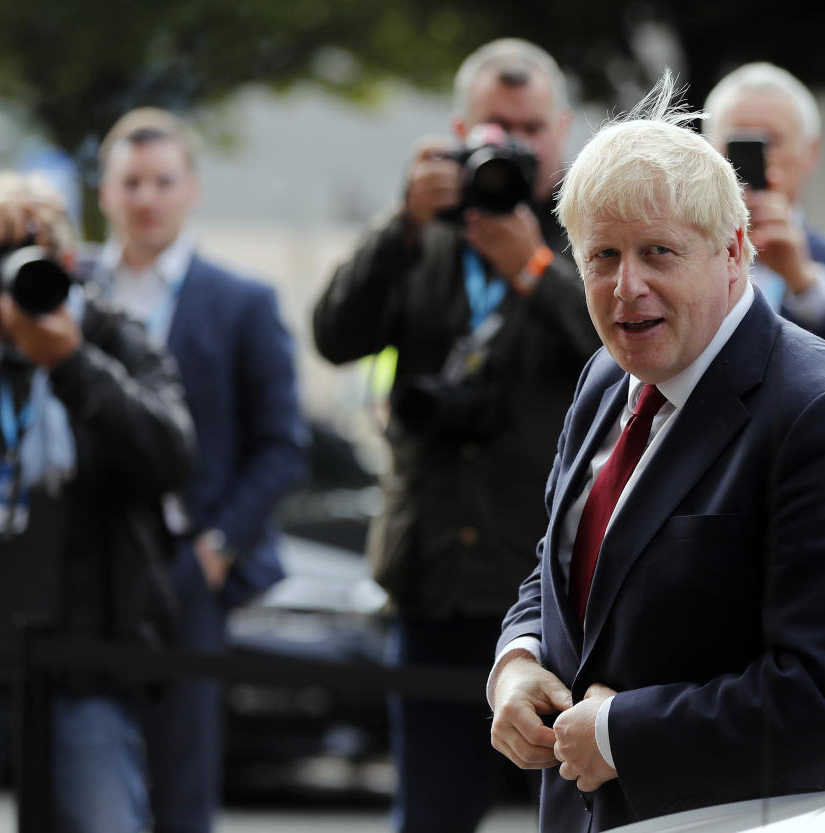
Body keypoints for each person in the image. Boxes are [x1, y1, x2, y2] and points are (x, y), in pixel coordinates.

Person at [488, 72, 825, 833]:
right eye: (602, 257)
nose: (627, 288)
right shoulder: (606, 376)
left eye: (659, 252)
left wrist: (621, 732)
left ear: (734, 251)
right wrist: (519, 660)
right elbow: (562, 564)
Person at [312, 38, 601, 833]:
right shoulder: (422, 234)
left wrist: (534, 270)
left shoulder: (586, 229)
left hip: (549, 575)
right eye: (495, 126)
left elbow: (622, 354)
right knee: (432, 811)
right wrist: (401, 222)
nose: (513, 144)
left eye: (531, 128)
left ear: (562, 130)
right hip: (432, 567)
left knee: (570, 806)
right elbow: (336, 334)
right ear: (458, 128)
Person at [0, 171, 195, 833]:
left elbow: (171, 455)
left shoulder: (112, 337)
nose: (14, 271)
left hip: (86, 663)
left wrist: (70, 362)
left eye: (35, 250)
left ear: (68, 262)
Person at [92, 107, 308, 833]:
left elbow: (282, 442)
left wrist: (218, 550)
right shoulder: (70, 289)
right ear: (105, 193)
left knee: (181, 779)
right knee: (77, 769)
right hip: (83, 562)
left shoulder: (242, 301)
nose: (146, 197)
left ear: (192, 190)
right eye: (131, 182)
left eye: (162, 180)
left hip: (188, 565)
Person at [702, 62, 825, 387]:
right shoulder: (681, 257)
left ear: (810, 153)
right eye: (739, 143)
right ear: (709, 151)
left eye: (772, 140)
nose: (760, 158)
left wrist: (805, 283)